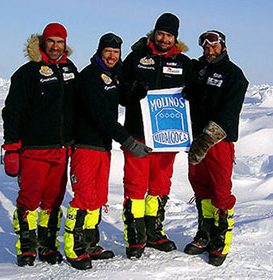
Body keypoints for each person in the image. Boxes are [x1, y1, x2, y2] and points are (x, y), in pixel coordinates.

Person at [63, 33, 151, 270]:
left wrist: (137, 70)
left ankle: (90, 244)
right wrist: (129, 141)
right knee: (82, 198)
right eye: (108, 51)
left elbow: (125, 91)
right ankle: (73, 248)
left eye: (116, 52)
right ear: (100, 51)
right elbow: (101, 116)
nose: (112, 56)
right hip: (85, 145)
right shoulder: (90, 77)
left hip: (102, 147)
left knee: (97, 198)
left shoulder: (111, 75)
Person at [1, 22, 78, 267]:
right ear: (42, 42)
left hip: (61, 148)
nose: (55, 47)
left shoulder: (69, 68)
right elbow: (12, 111)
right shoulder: (27, 72)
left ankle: (48, 245)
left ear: (65, 44)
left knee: (53, 200)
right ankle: (26, 247)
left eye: (60, 42)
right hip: (33, 150)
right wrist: (11, 146)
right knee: (29, 199)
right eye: (51, 41)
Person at [119, 12, 191, 259]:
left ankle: (154, 231)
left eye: (169, 35)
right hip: (137, 133)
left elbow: (198, 96)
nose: (163, 38)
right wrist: (132, 91)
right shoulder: (137, 57)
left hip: (167, 136)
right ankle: (135, 236)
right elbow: (120, 93)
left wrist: (194, 94)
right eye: (160, 33)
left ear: (175, 38)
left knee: (160, 184)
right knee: (135, 185)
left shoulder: (184, 63)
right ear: (154, 32)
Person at [181, 30, 248, 266]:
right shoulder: (199, 69)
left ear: (223, 47)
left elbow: (229, 115)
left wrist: (207, 140)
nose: (210, 50)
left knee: (220, 190)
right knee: (201, 188)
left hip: (218, 142)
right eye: (206, 47)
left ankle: (221, 239)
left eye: (214, 46)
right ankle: (205, 233)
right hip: (195, 137)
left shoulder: (234, 75)